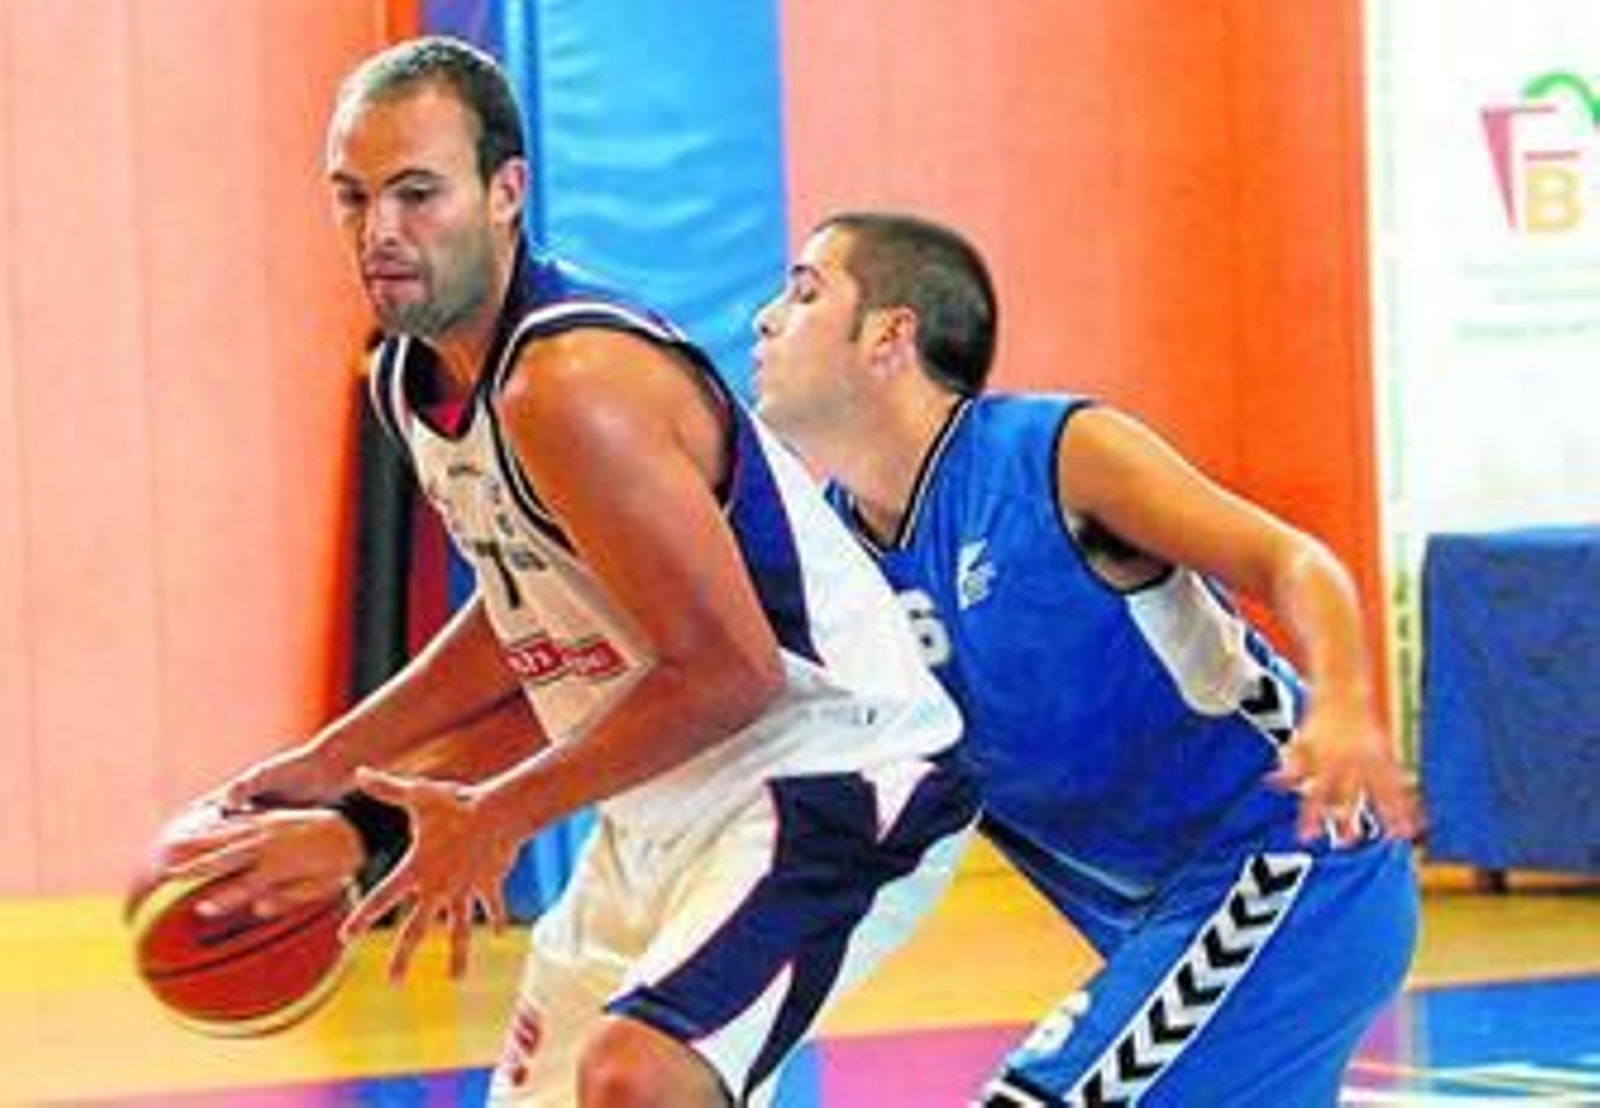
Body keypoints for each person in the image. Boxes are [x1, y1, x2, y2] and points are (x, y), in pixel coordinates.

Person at [145, 43, 976, 1108]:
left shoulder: (568, 381)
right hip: (666, 794)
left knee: (639, 1073)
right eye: (352, 196)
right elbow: (532, 621)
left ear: (506, 192)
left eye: (417, 193)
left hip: (830, 769)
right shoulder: (413, 381)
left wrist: (494, 814)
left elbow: (730, 673)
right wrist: (337, 770)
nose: (380, 230)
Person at [749, 210, 1423, 1106]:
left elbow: (1290, 560)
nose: (765, 318)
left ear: (889, 337)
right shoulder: (830, 560)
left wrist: (1342, 702)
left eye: (804, 292)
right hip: (1152, 920)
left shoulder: (1055, 457)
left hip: (1290, 865)